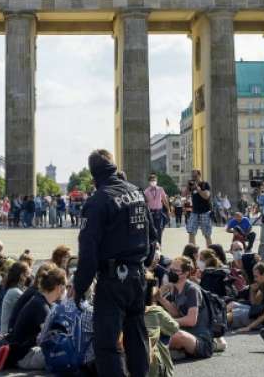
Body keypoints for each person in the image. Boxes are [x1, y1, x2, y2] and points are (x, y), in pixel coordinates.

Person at [74, 149, 158, 377]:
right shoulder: (137, 193)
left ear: (93, 175)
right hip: (138, 276)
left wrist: (80, 287)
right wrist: (145, 260)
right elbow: (152, 234)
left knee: (107, 344)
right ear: (113, 166)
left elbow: (88, 252)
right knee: (136, 335)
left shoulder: (97, 202)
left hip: (112, 280)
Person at [0, 265, 67, 371]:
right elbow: (50, 339)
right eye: (65, 286)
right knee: (65, 356)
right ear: (59, 287)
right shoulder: (42, 307)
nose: (66, 290)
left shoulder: (39, 300)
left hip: (19, 352)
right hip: (24, 357)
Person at [156, 256, 217, 360]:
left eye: (175, 270)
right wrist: (160, 298)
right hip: (188, 333)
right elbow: (176, 312)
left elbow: (191, 320)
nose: (171, 273)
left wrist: (167, 322)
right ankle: (171, 352)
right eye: (170, 270)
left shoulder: (192, 290)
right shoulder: (175, 288)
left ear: (185, 273)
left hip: (200, 340)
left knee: (177, 335)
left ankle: (155, 353)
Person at [0, 261, 31, 334]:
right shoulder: (15, 292)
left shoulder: (16, 290)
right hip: (7, 335)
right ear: (22, 275)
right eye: (28, 274)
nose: (29, 277)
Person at [185, 169, 213, 246]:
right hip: (194, 212)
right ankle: (192, 252)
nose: (193, 178)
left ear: (199, 175)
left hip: (205, 212)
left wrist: (198, 189)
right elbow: (184, 195)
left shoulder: (205, 184)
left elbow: (206, 196)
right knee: (191, 232)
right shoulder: (191, 185)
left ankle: (210, 253)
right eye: (192, 176)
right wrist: (188, 187)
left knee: (207, 234)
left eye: (195, 176)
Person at [144, 173, 171, 244]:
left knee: (159, 230)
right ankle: (152, 246)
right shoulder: (146, 191)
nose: (153, 182)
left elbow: (164, 200)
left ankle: (159, 246)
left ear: (157, 181)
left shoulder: (160, 189)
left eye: (154, 180)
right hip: (150, 212)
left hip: (159, 212)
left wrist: (168, 209)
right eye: (152, 180)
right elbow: (145, 203)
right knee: (151, 230)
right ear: (149, 182)